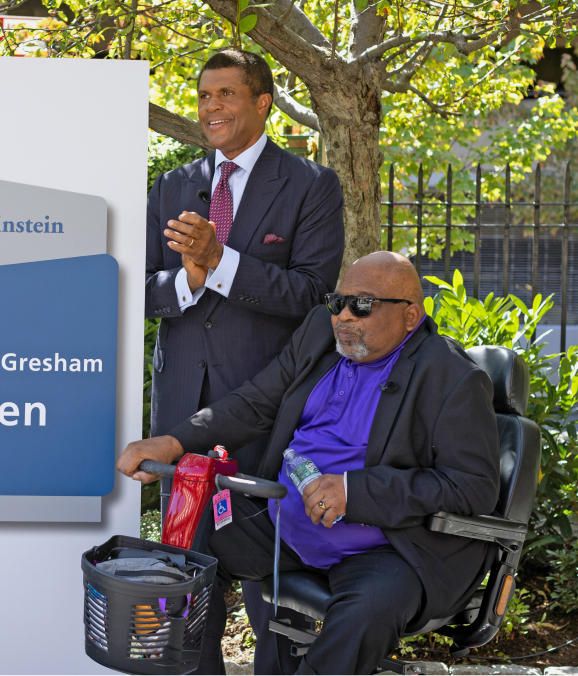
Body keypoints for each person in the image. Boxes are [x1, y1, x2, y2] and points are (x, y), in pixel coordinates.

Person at [121, 252, 501, 674]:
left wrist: (355, 491)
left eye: (362, 305)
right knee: (191, 553)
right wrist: (172, 441)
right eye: (338, 301)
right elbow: (255, 403)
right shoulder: (321, 336)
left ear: (410, 316)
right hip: (286, 521)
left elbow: (472, 485)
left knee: (365, 613)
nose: (343, 317)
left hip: (386, 546)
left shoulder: (451, 376)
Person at [144, 48, 344, 673]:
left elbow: (314, 296)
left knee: (265, 569)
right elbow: (146, 287)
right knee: (187, 566)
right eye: (204, 96)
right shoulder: (174, 185)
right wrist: (192, 278)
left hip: (266, 408)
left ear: (263, 103)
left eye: (226, 95)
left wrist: (221, 262)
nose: (210, 108)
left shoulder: (311, 185)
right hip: (183, 404)